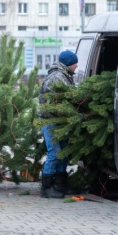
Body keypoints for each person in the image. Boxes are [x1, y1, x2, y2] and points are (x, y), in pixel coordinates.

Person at [38, 50, 78, 198]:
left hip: (61, 121)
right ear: (68, 64)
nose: (77, 65)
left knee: (63, 153)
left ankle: (60, 186)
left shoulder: (65, 76)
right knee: (54, 152)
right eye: (75, 63)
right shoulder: (56, 78)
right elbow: (53, 104)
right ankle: (46, 188)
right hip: (51, 120)